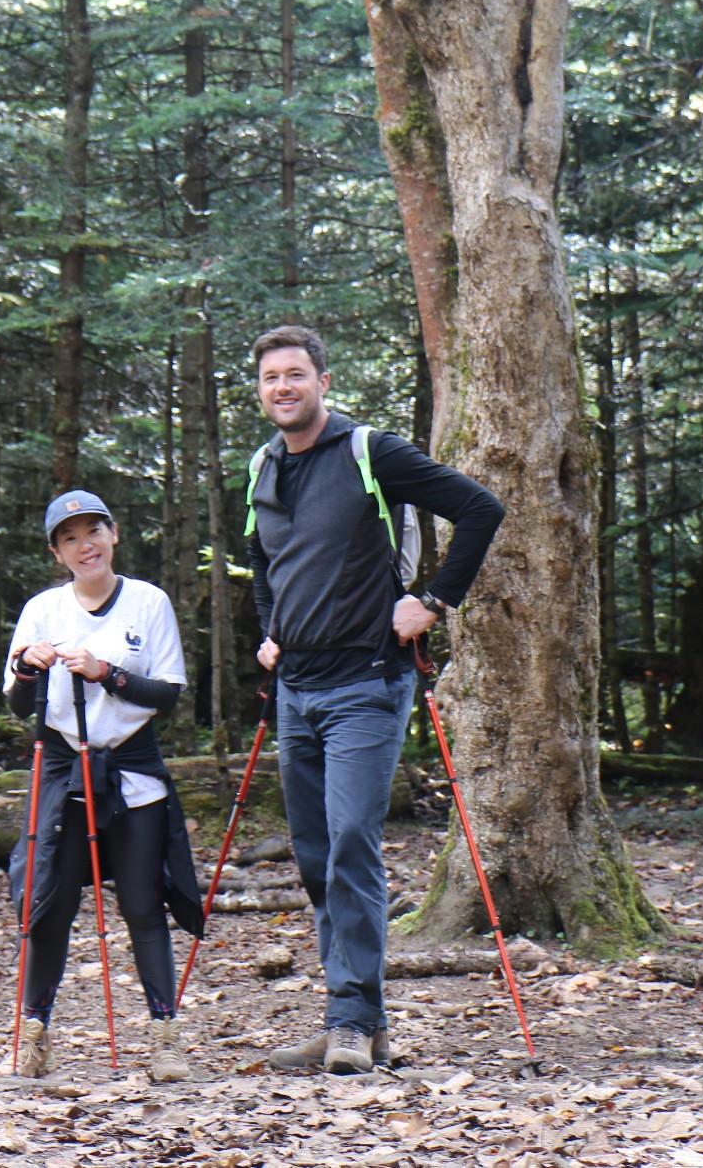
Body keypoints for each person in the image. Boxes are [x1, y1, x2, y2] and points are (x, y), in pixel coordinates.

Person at [244, 325, 505, 1075]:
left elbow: (480, 508)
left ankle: (352, 1019)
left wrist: (432, 599)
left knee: (352, 839)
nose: (283, 387)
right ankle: (356, 1018)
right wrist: (269, 630)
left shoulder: (371, 452)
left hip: (368, 681)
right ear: (260, 391)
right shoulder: (264, 466)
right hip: (295, 690)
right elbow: (264, 564)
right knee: (317, 854)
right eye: (270, 378)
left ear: (323, 379)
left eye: (295, 374)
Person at [3, 489, 203, 1082]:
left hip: (133, 769)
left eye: (93, 531)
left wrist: (107, 673)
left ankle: (164, 1037)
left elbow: (167, 693)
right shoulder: (42, 609)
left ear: (113, 535)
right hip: (65, 770)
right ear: (56, 551)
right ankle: (33, 1035)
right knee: (49, 905)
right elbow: (18, 705)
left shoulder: (148, 602)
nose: (83, 545)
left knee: (143, 904)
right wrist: (25, 667)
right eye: (69, 537)